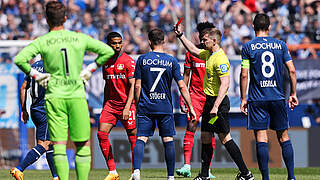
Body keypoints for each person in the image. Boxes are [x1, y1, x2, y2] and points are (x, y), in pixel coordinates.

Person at [14, 1, 115, 180]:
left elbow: (20, 59)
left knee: (58, 146)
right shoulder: (78, 37)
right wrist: (89, 70)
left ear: (46, 20)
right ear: (66, 19)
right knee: (82, 144)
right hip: (76, 96)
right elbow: (107, 51)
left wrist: (38, 76)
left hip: (54, 98)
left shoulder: (43, 41)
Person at [174, 24, 254, 180]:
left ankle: (246, 173)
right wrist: (181, 36)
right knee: (205, 136)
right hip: (209, 103)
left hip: (218, 105)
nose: (202, 42)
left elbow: (225, 84)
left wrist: (216, 106)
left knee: (225, 138)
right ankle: (204, 175)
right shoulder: (209, 54)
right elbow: (194, 51)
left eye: (205, 40)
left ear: (215, 40)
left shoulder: (220, 58)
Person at [240, 13, 298, 180]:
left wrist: (244, 98)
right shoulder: (280, 45)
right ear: (270, 27)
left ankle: (266, 178)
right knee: (284, 136)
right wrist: (293, 93)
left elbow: (244, 74)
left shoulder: (248, 47)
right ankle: (292, 177)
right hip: (278, 96)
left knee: (261, 136)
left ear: (253, 27)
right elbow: (292, 70)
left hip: (258, 99)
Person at [132, 28, 196, 180]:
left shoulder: (142, 59)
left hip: (146, 106)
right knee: (168, 139)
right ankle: (170, 176)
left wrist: (137, 103)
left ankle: (137, 172)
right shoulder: (171, 60)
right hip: (164, 106)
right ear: (164, 41)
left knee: (141, 138)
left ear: (149, 42)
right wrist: (191, 107)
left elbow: (137, 86)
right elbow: (182, 86)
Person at [176, 22, 216, 179]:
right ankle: (187, 165)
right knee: (191, 124)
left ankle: (207, 169)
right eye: (202, 37)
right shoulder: (192, 53)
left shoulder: (216, 53)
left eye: (206, 37)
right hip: (195, 96)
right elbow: (186, 76)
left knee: (209, 132)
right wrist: (183, 98)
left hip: (210, 97)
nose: (203, 40)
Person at [97, 32, 136, 180]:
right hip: (111, 105)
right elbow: (107, 85)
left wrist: (127, 107)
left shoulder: (128, 61)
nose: (118, 45)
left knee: (133, 137)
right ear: (108, 44)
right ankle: (113, 171)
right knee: (101, 134)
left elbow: (133, 86)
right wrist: (105, 104)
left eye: (120, 42)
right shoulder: (105, 61)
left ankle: (135, 172)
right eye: (114, 43)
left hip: (127, 105)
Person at [10, 60, 58, 180]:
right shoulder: (54, 65)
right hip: (47, 109)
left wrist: (24, 109)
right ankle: (19, 169)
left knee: (49, 144)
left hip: (35, 109)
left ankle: (56, 177)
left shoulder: (34, 66)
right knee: (45, 145)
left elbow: (23, 88)